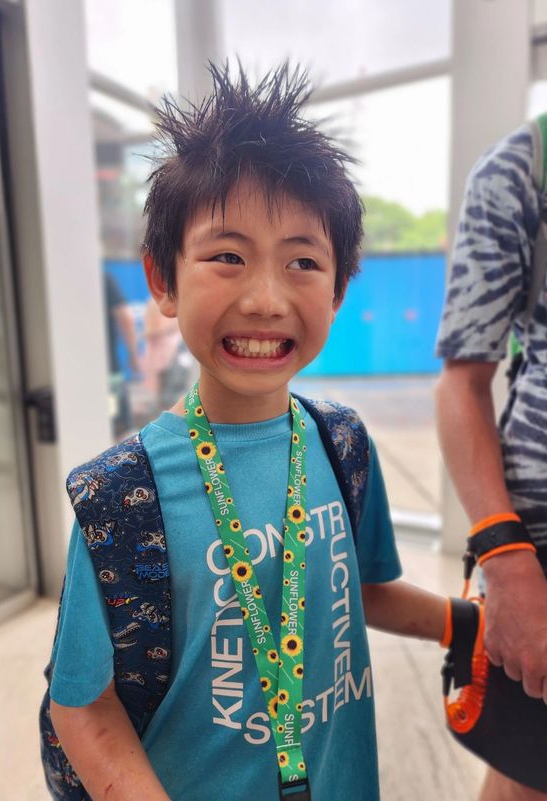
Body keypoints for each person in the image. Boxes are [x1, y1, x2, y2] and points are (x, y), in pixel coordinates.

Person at [47, 63, 455, 801]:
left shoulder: (342, 445)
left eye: (303, 261)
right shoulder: (122, 500)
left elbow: (359, 590)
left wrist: (468, 624)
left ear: (337, 290)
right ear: (163, 280)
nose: (266, 298)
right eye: (227, 256)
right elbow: (81, 702)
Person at [436, 121, 547, 800]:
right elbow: (462, 381)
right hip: (539, 555)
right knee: (527, 776)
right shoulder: (525, 167)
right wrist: (507, 569)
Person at [104, 271, 142, 435]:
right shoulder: (104, 279)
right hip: (108, 370)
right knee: (116, 425)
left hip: (76, 371)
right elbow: (126, 317)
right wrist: (133, 356)